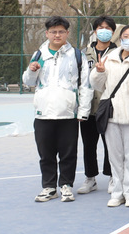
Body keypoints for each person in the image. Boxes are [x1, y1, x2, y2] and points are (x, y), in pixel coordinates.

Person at [23, 16, 93, 203]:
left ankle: (66, 186)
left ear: (67, 33)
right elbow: (28, 82)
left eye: (61, 31)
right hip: (43, 113)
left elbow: (85, 85)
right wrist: (31, 70)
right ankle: (49, 187)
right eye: (53, 31)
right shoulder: (39, 54)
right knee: (46, 154)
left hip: (68, 114)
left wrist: (83, 111)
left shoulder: (77, 55)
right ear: (47, 33)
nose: (57, 35)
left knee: (68, 154)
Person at [90, 24, 129, 207]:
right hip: (112, 115)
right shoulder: (108, 59)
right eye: (126, 36)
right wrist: (99, 72)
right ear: (120, 38)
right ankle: (117, 192)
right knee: (115, 157)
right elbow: (98, 85)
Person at [78, 15, 116, 195]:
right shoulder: (83, 53)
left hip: (108, 107)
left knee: (110, 145)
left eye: (108, 28)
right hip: (88, 107)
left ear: (113, 32)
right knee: (89, 145)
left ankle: (112, 176)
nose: (104, 31)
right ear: (95, 31)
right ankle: (90, 178)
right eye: (101, 28)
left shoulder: (117, 53)